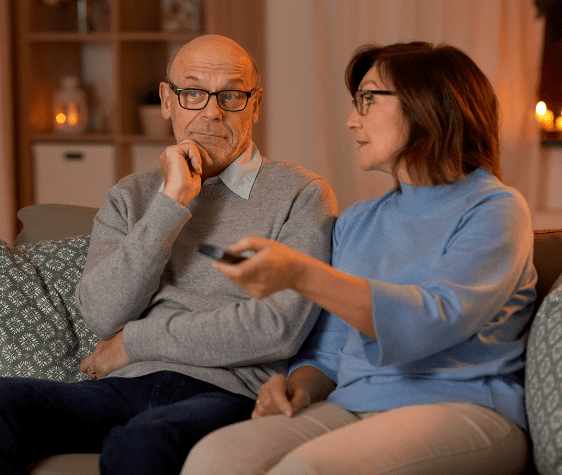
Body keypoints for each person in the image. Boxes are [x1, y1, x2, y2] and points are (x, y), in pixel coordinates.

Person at [181, 42, 536, 475]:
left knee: (304, 470)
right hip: (353, 406)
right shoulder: (358, 221)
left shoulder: (496, 209)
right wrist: (296, 388)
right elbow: (329, 353)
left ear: (430, 103)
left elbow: (431, 319)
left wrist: (299, 273)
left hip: (466, 408)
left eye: (368, 100)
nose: (352, 120)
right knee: (213, 458)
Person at [0, 35, 337, 475]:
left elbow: (277, 328)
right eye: (193, 92)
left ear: (254, 105)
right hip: (123, 386)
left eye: (231, 95)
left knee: (143, 441)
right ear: (167, 100)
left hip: (226, 393)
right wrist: (171, 202)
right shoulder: (131, 196)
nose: (211, 112)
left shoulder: (302, 193)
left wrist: (134, 342)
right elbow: (103, 316)